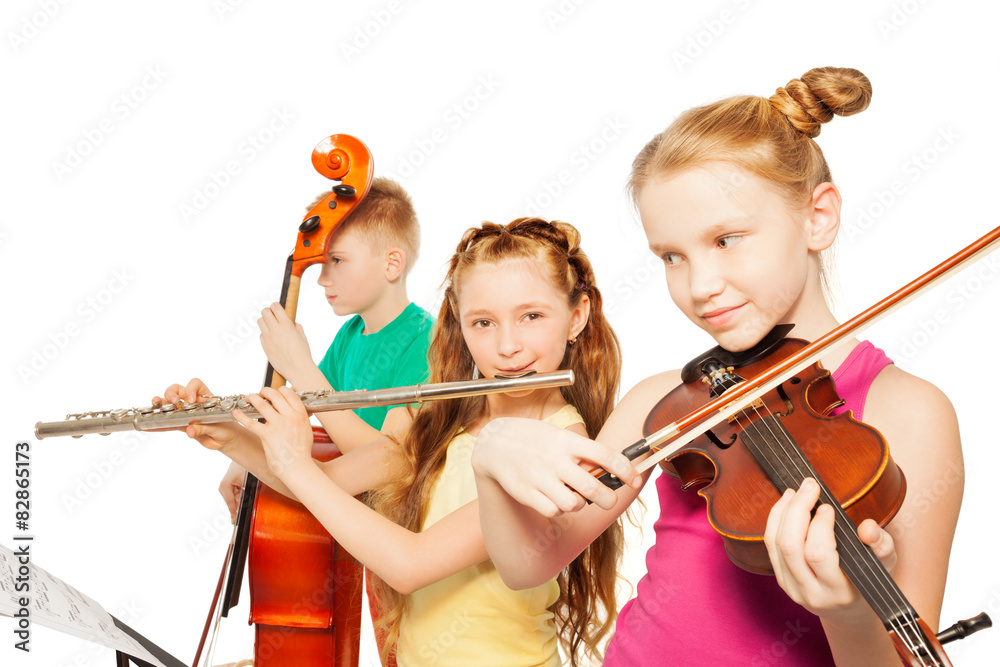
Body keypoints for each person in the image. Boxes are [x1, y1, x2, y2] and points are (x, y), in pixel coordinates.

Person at [471, 67, 963, 666]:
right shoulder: (667, 400)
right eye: (672, 256)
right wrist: (491, 451)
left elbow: (908, 656)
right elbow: (529, 563)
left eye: (727, 239)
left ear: (818, 216)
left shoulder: (907, 411)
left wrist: (849, 615)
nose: (699, 286)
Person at [163, 218, 626, 666]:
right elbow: (324, 484)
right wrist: (228, 437)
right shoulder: (434, 417)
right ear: (459, 326)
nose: (508, 347)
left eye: (531, 316)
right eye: (482, 323)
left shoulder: (563, 448)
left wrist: (295, 463)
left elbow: (409, 565)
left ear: (576, 317)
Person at [185, 176, 435, 522]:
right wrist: (242, 459)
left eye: (338, 260)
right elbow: (291, 412)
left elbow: (389, 461)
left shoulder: (427, 339)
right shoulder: (350, 334)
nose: (321, 279)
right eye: (322, 263)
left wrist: (301, 369)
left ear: (392, 264)